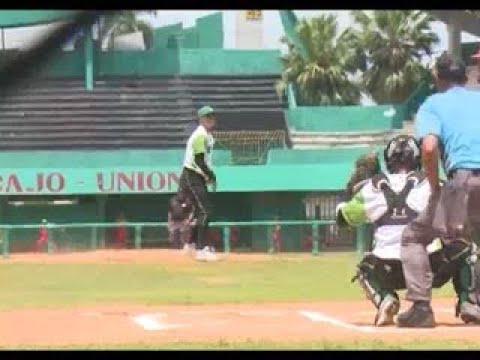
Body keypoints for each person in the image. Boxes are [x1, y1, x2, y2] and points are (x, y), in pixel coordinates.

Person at [336, 135, 480, 327]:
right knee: (466, 251)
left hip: (389, 268)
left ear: (388, 160)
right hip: (428, 266)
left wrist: (352, 194)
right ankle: (469, 303)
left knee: (365, 269)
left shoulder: (372, 186)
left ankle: (385, 299)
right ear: (418, 159)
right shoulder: (432, 183)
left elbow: (343, 219)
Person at [397, 52, 480, 328]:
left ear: (437, 77)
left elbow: (429, 147)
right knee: (473, 241)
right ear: (465, 76)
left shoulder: (433, 104)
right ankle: (472, 302)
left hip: (464, 180)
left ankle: (421, 307)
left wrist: (434, 186)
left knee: (413, 237)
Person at [178, 105, 217, 262]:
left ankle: (190, 245)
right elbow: (199, 160)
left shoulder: (207, 135)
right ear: (200, 119)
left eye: (212, 116)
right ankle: (201, 250)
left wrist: (207, 176)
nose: (210, 119)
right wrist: (211, 176)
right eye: (207, 116)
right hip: (191, 175)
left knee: (200, 211)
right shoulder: (200, 135)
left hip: (196, 176)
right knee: (205, 211)